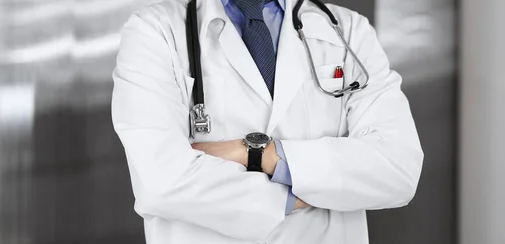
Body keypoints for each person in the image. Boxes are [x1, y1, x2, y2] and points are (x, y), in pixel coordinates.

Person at [111, 0, 424, 243]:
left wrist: (262, 154)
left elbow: (398, 168)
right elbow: (161, 182)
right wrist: (305, 191)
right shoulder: (155, 32)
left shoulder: (348, 32)